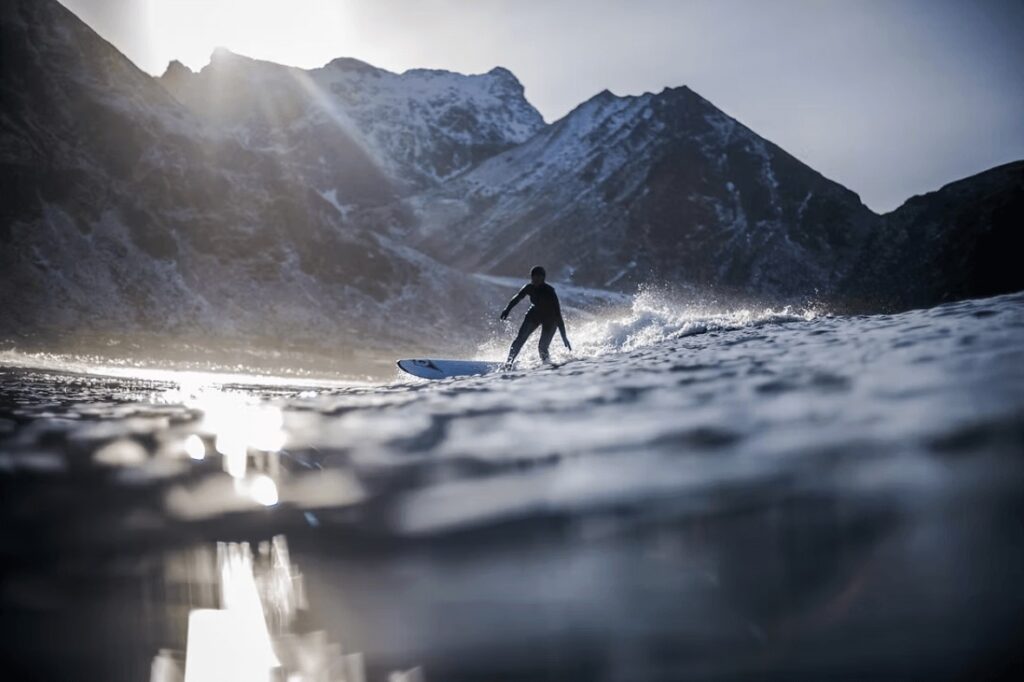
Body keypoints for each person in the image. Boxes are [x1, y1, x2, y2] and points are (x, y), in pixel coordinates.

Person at [500, 265, 571, 367]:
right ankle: (508, 363)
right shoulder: (529, 287)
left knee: (542, 347)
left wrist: (564, 336)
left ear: (543, 278)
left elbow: (558, 314)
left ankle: (546, 365)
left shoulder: (549, 291)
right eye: (534, 277)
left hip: (550, 320)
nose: (536, 279)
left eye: (539, 277)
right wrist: (507, 309)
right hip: (534, 314)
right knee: (520, 339)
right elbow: (517, 298)